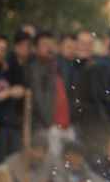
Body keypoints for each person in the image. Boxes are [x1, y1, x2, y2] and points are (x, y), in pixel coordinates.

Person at [28, 31, 75, 159]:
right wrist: (51, 125)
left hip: (66, 126)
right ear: (35, 48)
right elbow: (38, 100)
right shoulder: (34, 69)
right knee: (54, 164)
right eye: (44, 44)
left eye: (51, 44)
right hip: (49, 128)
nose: (49, 48)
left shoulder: (58, 66)